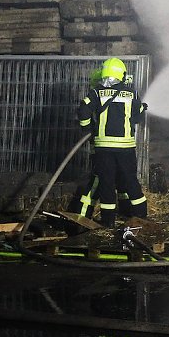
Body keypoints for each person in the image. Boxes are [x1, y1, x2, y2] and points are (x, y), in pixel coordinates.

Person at [77, 57, 148, 227]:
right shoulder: (132, 93)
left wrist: (89, 129)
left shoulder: (95, 92)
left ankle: (108, 222)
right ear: (122, 75)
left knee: (106, 183)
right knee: (130, 180)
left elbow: (83, 112)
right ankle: (141, 217)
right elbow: (137, 118)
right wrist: (141, 108)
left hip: (103, 149)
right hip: (125, 148)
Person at [67, 67, 130, 222]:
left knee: (120, 181)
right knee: (97, 182)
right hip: (102, 150)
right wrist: (88, 130)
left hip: (107, 149)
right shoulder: (98, 95)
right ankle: (81, 219)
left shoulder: (100, 94)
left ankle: (126, 214)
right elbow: (84, 113)